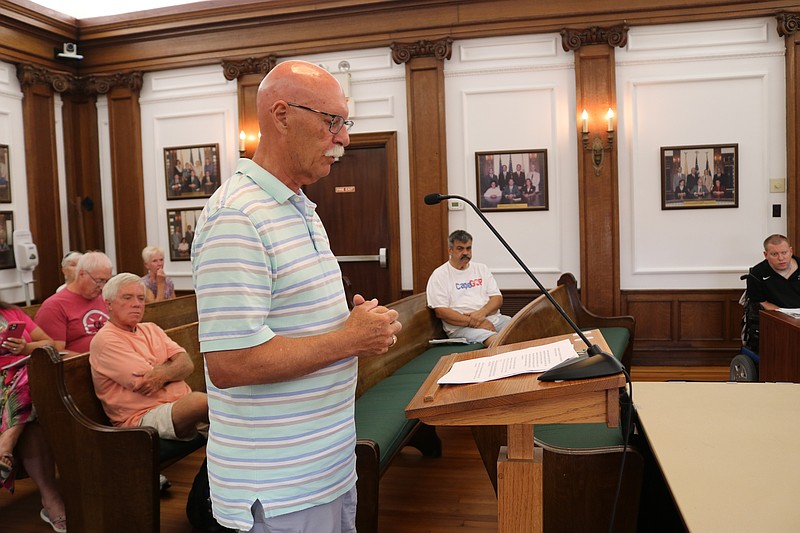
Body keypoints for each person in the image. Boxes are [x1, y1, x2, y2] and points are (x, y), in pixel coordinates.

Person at [191, 60, 402, 532]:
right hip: (280, 488)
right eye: (333, 122)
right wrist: (349, 340)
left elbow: (293, 325)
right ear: (282, 116)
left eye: (345, 123)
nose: (344, 137)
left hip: (325, 468)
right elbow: (231, 363)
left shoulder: (299, 205)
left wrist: (355, 325)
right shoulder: (238, 217)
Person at [89, 273, 207, 440]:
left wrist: (161, 372)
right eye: (128, 298)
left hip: (175, 406)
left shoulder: (151, 328)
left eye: (141, 298)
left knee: (226, 411)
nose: (136, 304)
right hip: (141, 419)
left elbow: (187, 364)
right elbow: (146, 381)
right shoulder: (106, 340)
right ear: (109, 304)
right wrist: (172, 367)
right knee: (200, 404)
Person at [0, 304, 67, 532]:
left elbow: (49, 343)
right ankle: (51, 501)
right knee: (34, 382)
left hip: (21, 377)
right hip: (4, 384)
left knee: (33, 377)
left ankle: (5, 446)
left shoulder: (11, 313)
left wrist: (25, 346)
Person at [426, 229, 511, 346]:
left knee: (522, 328)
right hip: (460, 328)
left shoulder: (481, 269)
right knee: (497, 341)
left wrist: (482, 313)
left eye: (468, 248)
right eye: (460, 249)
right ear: (450, 250)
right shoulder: (440, 275)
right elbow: (441, 311)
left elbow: (497, 298)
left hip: (492, 319)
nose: (465, 252)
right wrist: (474, 322)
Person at [35, 251, 111, 355]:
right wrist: (95, 360)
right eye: (99, 281)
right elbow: (55, 354)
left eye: (106, 281)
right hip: (83, 365)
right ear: (81, 274)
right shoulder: (54, 306)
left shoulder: (105, 298)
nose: (102, 287)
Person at [746, 234, 800, 311]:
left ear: (791, 251)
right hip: (775, 316)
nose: (781, 258)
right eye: (774, 254)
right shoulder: (756, 273)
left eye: (784, 253)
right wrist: (785, 315)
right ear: (766, 255)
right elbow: (761, 302)